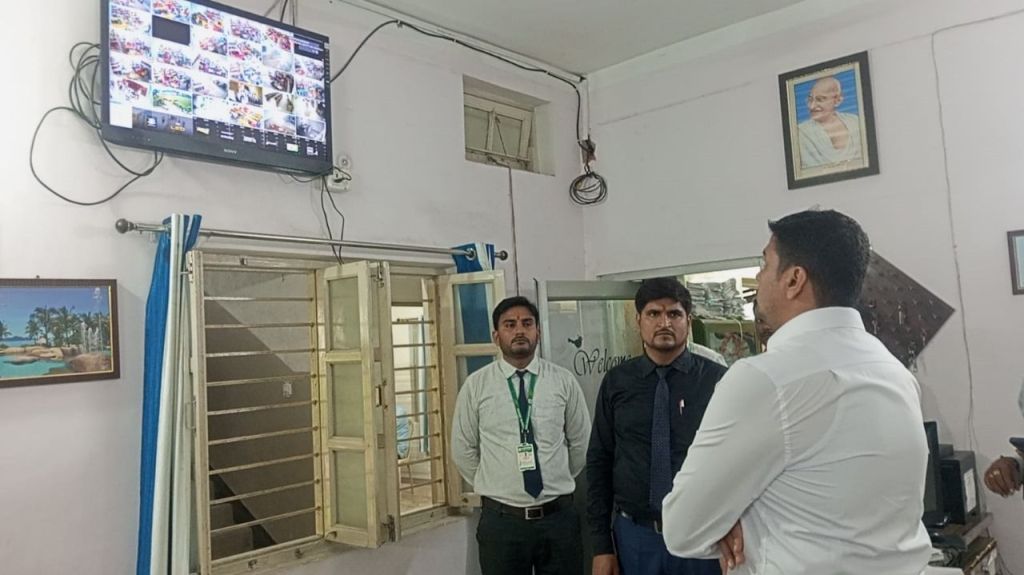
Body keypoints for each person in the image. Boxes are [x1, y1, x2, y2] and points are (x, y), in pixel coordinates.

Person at [662, 209, 932, 574]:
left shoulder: (765, 380)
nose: (759, 278)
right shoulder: (892, 369)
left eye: (764, 264)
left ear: (793, 280)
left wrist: (737, 525)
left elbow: (683, 529)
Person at [587, 278, 727, 575]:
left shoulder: (717, 380)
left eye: (674, 314)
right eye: (654, 313)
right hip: (637, 536)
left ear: (688, 321)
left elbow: (735, 461)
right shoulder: (617, 382)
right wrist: (601, 546)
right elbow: (599, 461)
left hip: (702, 535)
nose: (664, 323)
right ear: (638, 320)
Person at [451, 296, 591, 575]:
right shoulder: (476, 385)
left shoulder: (562, 381)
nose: (519, 331)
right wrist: (496, 483)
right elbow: (462, 448)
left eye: (527, 323)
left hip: (558, 519)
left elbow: (581, 442)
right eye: (510, 324)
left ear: (538, 332)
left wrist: (557, 476)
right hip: (502, 522)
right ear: (496, 335)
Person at [796, 76, 864, 170]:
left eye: (820, 99)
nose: (812, 106)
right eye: (810, 99)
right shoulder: (801, 132)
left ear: (837, 101)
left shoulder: (855, 122)